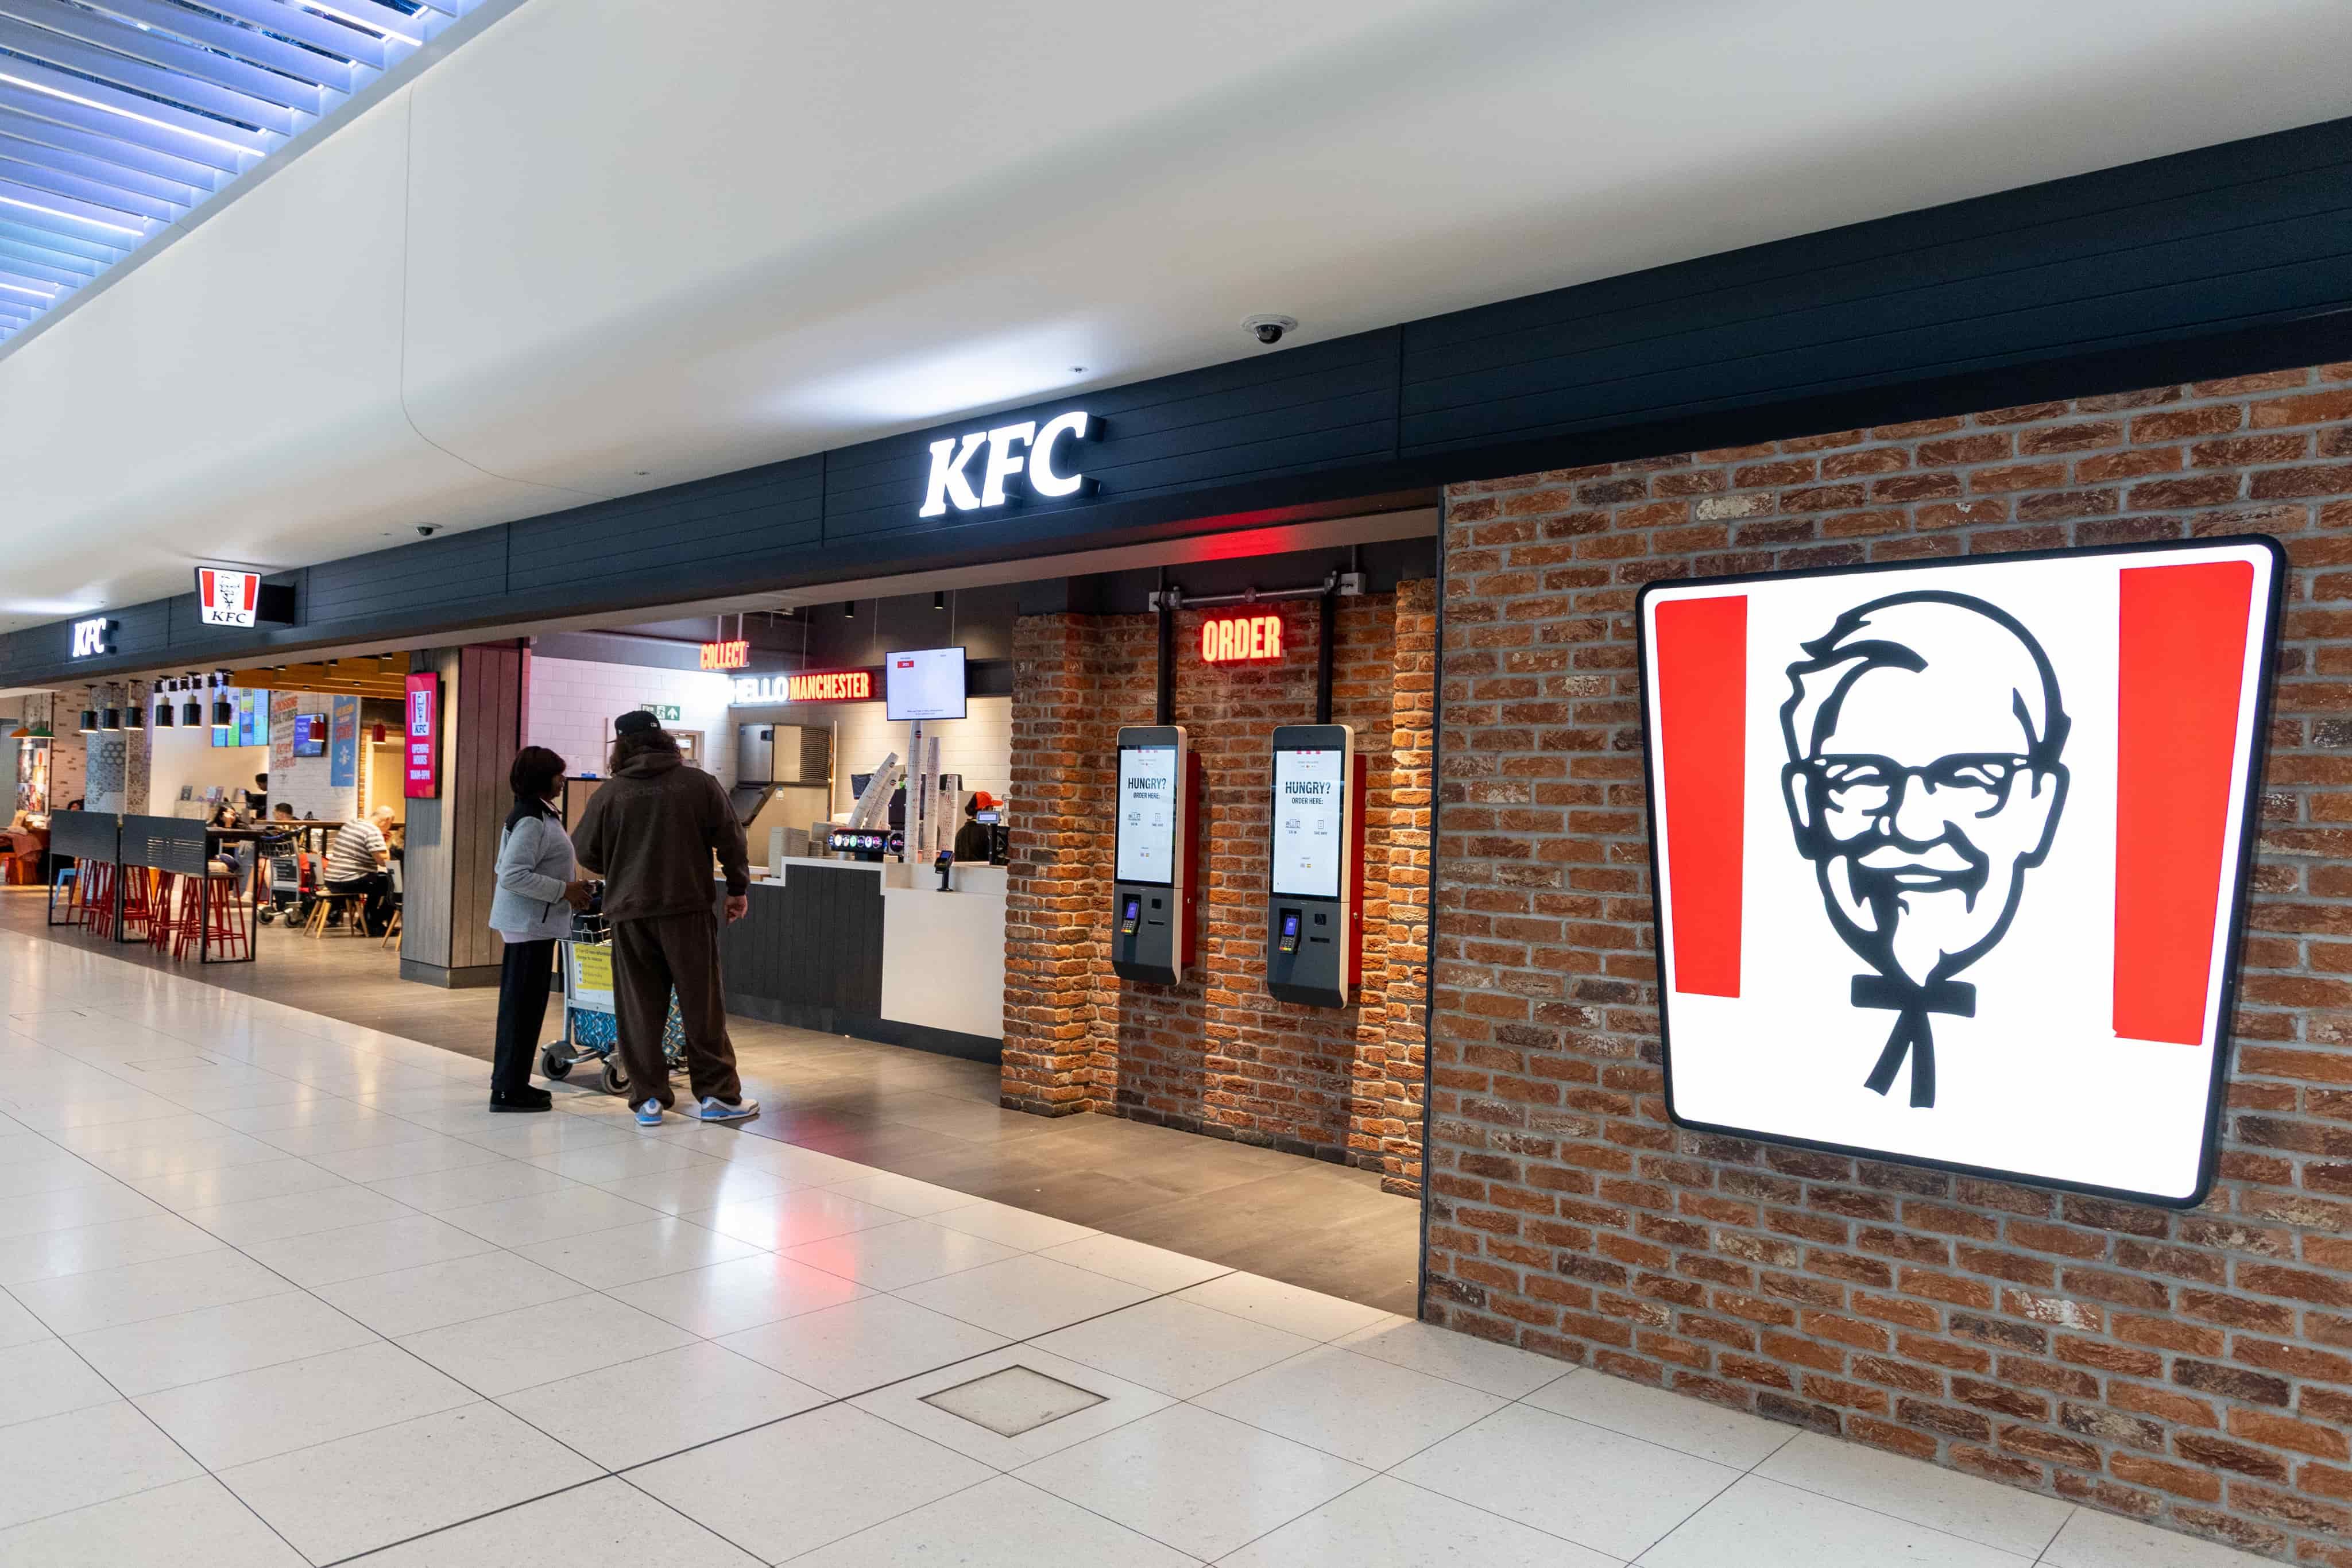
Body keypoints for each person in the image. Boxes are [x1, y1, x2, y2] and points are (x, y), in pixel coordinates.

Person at [1780, 591, 2069, 1109]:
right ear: (1806, 806)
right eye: (1863, 776)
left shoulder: (2068, 1053)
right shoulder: (1778, 1032)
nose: (1912, 827)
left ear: (2040, 806)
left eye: (1970, 777)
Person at [570, 710, 757, 1126]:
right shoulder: (698, 784)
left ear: (622, 747)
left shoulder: (610, 794)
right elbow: (732, 839)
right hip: (686, 910)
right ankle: (717, 1096)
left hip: (629, 915)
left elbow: (584, 851)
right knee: (701, 1005)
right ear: (666, 740)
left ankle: (648, 1099)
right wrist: (738, 888)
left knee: (639, 1008)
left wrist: (622, 865)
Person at [485, 746, 595, 1112]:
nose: (563, 780)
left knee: (523, 1008)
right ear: (542, 778)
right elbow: (513, 874)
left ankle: (511, 1084)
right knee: (522, 1010)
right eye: (559, 774)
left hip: (533, 923)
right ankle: (508, 1090)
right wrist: (565, 890)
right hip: (529, 925)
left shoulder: (537, 813)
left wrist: (569, 890)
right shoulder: (533, 818)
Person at [324, 805, 397, 936]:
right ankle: (372, 923)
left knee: (381, 881)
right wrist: (387, 843)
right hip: (349, 880)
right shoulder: (373, 831)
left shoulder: (352, 823)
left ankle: (367, 921)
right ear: (387, 820)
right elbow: (384, 861)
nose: (390, 826)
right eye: (391, 823)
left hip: (332, 879)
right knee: (393, 884)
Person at [952, 795, 992, 865]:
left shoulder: (961, 831)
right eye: (991, 809)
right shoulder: (985, 831)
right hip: (982, 873)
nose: (993, 813)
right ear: (983, 809)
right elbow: (991, 858)